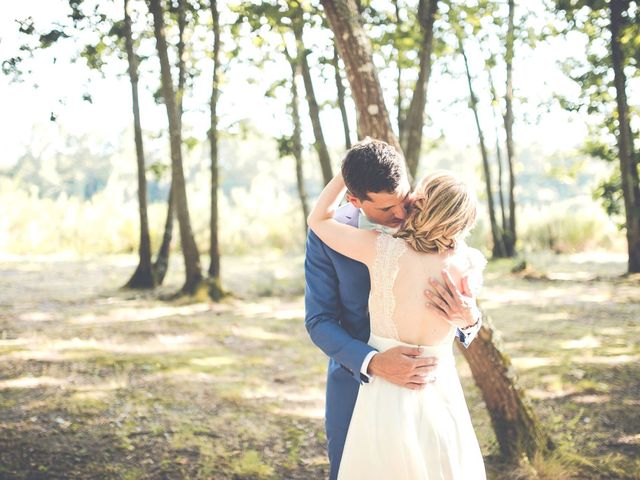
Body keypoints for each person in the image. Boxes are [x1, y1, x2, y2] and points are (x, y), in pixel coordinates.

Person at [304, 139, 483, 480]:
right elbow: (319, 320)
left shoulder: (434, 225)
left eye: (404, 201)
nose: (401, 216)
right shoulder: (329, 234)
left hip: (429, 380)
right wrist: (373, 361)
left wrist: (470, 319)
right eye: (387, 210)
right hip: (354, 382)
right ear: (354, 199)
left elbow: (463, 303)